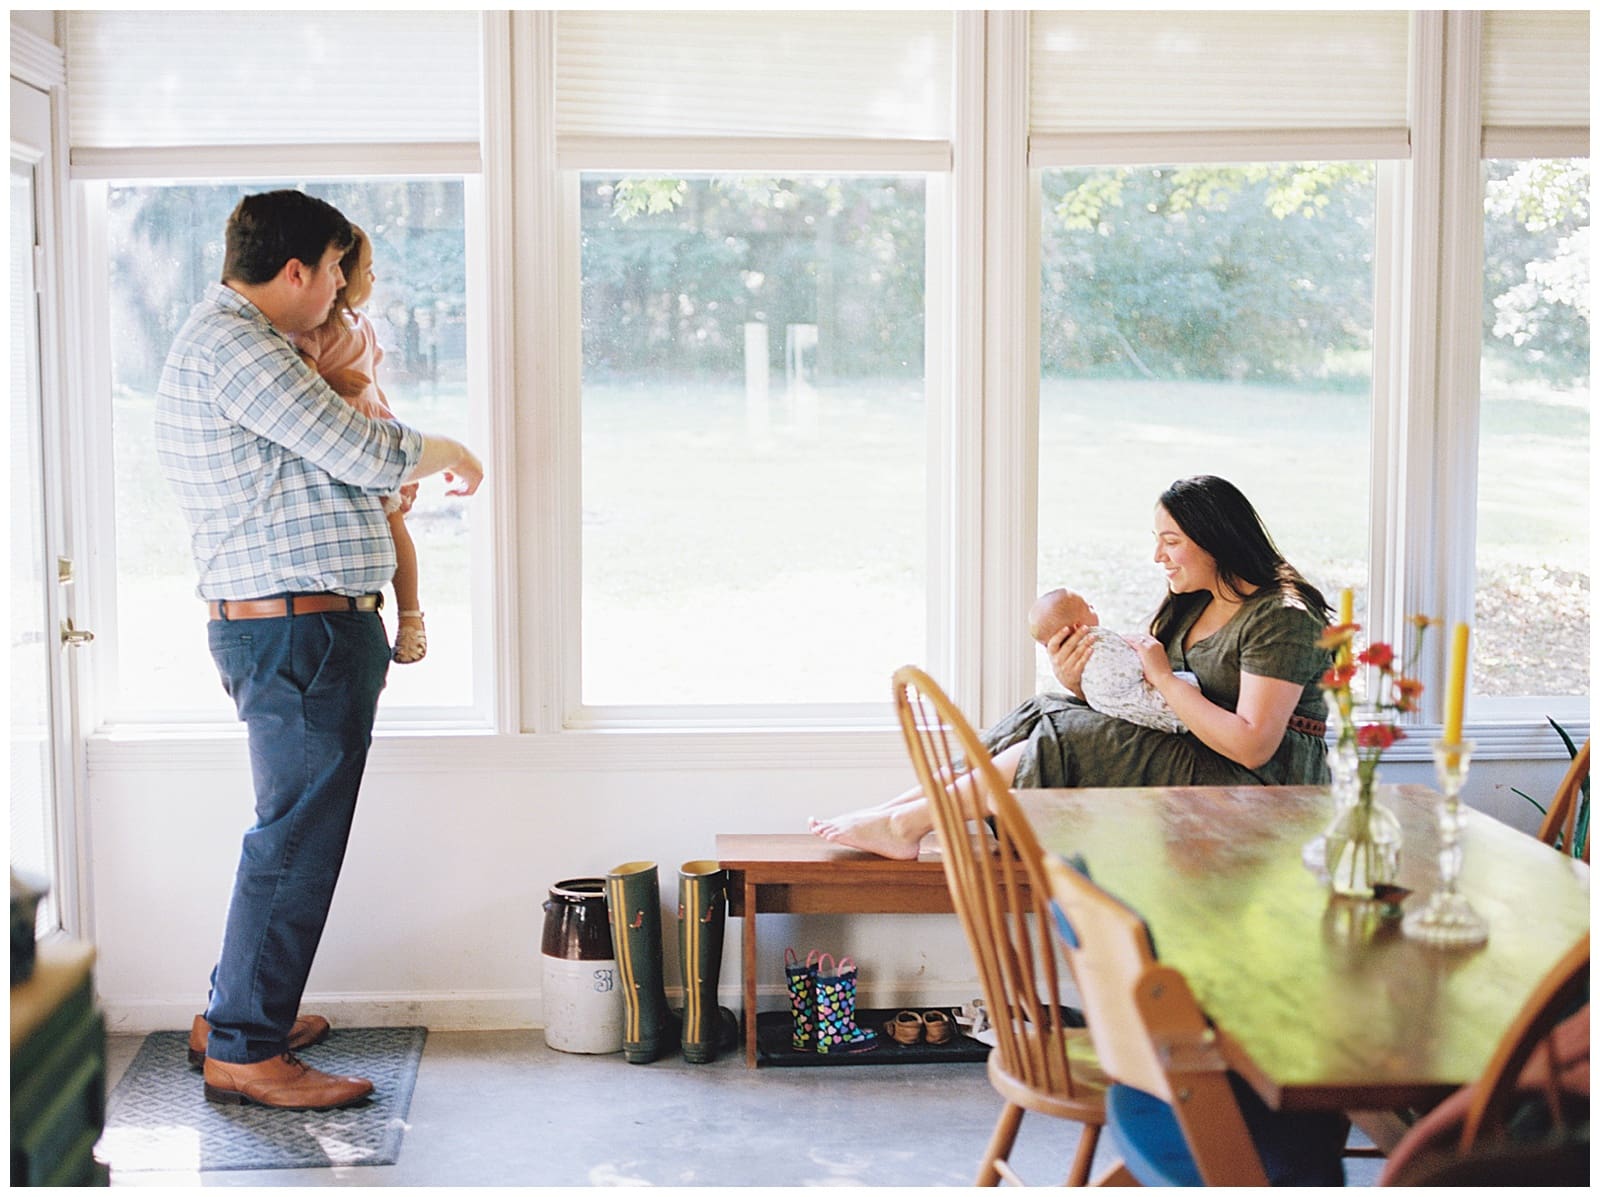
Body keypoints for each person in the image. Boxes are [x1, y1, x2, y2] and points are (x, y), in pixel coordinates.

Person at [156, 189, 485, 1110]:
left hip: (298, 625)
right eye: (337, 270)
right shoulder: (240, 347)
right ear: (296, 269)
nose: (343, 290)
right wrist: (452, 449)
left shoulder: (248, 347)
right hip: (295, 629)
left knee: (287, 833)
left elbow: (318, 459)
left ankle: (237, 1011)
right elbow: (358, 446)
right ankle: (246, 1048)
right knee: (293, 842)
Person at [811, 475, 1333, 860]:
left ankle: (908, 826)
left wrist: (1164, 679)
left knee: (1067, 735)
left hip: (1266, 785)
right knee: (1045, 709)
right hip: (1199, 752)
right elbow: (1153, 707)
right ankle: (896, 809)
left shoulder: (1281, 616)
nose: (1158, 557)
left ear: (1218, 540)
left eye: (1171, 541)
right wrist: (1080, 685)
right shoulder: (1191, 604)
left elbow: (1252, 743)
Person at [291, 225, 427, 663]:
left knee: (395, 526)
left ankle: (411, 617)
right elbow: (298, 387)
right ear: (340, 276)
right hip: (337, 446)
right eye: (366, 271)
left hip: (372, 434)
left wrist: (396, 437)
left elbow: (373, 388)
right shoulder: (311, 331)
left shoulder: (363, 326)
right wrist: (330, 379)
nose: (371, 281)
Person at [1027, 586, 1196, 735]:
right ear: (1078, 627)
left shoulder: (1102, 644)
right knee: (1039, 707)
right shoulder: (1098, 644)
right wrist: (1074, 684)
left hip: (1175, 715)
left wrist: (1162, 675)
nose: (1093, 607)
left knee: (1043, 728)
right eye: (1088, 607)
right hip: (1139, 711)